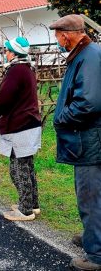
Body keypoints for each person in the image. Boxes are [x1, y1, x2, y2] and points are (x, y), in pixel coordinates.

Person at [50, 14, 101, 271]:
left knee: (89, 196)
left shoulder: (89, 56)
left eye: (58, 36)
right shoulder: (85, 54)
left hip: (90, 140)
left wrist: (61, 118)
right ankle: (94, 236)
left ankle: (96, 255)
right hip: (91, 138)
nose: (58, 41)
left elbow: (89, 102)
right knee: (94, 194)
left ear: (67, 34)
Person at [0, 36, 42, 221]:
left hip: (20, 124)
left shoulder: (16, 70)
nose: (5, 53)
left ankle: (25, 209)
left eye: (6, 50)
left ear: (13, 52)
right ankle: (32, 204)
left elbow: (5, 96)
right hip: (30, 123)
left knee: (17, 168)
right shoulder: (27, 67)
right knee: (27, 166)